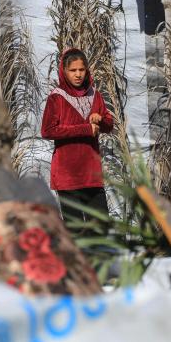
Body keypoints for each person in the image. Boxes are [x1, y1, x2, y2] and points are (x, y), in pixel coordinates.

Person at [41, 48, 114, 220]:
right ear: (64, 71)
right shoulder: (56, 97)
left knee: (100, 226)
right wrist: (85, 128)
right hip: (67, 175)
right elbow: (47, 130)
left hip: (91, 173)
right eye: (73, 70)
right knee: (76, 230)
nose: (78, 74)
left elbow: (109, 126)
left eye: (81, 70)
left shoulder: (94, 95)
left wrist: (101, 120)